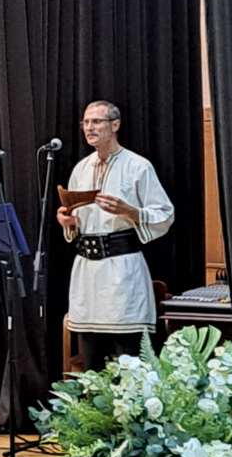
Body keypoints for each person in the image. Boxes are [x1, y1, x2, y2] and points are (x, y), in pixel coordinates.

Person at [57, 101, 175, 372]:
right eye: (86, 122)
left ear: (115, 125)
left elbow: (165, 214)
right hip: (87, 273)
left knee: (129, 359)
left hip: (122, 270)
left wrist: (130, 211)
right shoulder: (81, 169)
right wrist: (68, 221)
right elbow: (77, 220)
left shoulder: (138, 166)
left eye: (96, 121)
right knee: (91, 359)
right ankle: (92, 400)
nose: (90, 128)